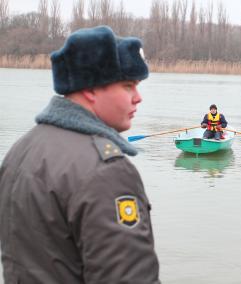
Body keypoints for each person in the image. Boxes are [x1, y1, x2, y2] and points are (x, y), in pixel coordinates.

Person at [0, 26, 160, 283]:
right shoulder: (106, 171)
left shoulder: (22, 150)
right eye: (128, 86)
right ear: (91, 89)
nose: (138, 97)